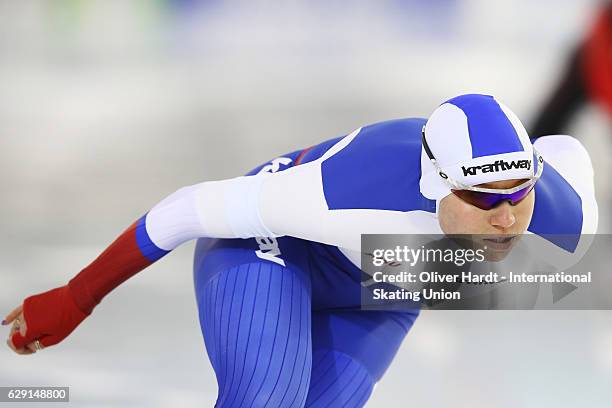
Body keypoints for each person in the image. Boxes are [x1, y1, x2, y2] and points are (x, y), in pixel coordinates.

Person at [3, 94, 598, 407]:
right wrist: (75, 298)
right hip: (274, 247)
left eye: (519, 195)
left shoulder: (559, 217)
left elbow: (567, 147)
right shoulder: (338, 195)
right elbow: (186, 208)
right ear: (436, 183)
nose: (506, 219)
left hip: (380, 279)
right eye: (483, 199)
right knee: (267, 399)